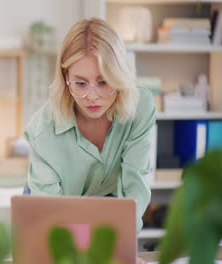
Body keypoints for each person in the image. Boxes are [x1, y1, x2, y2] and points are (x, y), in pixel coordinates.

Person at [24, 17, 155, 254]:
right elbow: (53, 219)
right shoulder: (42, 131)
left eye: (104, 82)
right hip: (55, 204)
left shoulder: (140, 107)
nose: (92, 97)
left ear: (120, 76)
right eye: (81, 84)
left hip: (109, 201)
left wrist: (122, 250)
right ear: (65, 79)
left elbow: (134, 186)